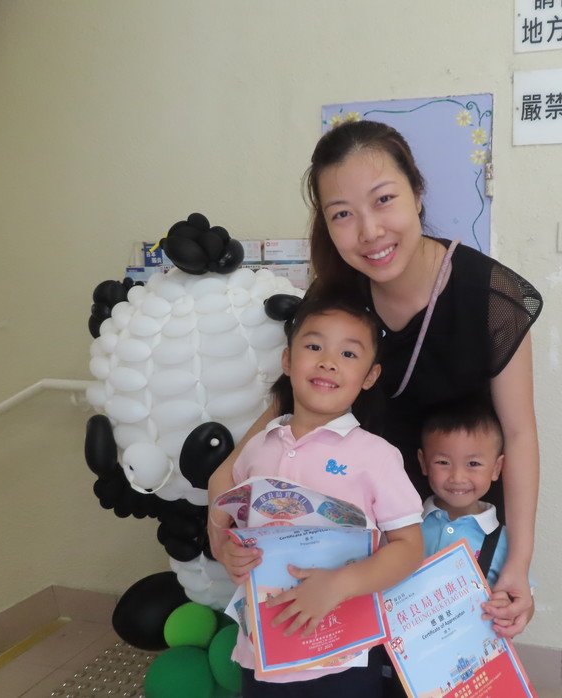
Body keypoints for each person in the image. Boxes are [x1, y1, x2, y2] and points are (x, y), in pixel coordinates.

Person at [210, 119, 542, 637]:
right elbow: (297, 395)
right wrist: (227, 475)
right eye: (343, 214)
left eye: (384, 200)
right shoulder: (336, 291)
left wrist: (518, 561)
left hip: (449, 529)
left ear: (417, 193)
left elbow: (518, 435)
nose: (369, 232)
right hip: (349, 539)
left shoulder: (489, 297)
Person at [216, 291, 424, 697]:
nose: (328, 361)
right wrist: (230, 553)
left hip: (343, 657)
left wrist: (338, 585)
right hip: (263, 651)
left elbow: (409, 548)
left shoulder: (377, 457)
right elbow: (240, 528)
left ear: (370, 376)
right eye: (314, 347)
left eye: (348, 354)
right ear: (288, 360)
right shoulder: (257, 448)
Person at [418, 400, 511, 592]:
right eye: (443, 462)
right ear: (423, 462)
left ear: (496, 468)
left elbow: (524, 601)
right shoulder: (406, 523)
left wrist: (504, 604)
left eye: (473, 464)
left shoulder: (506, 541)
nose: (458, 477)